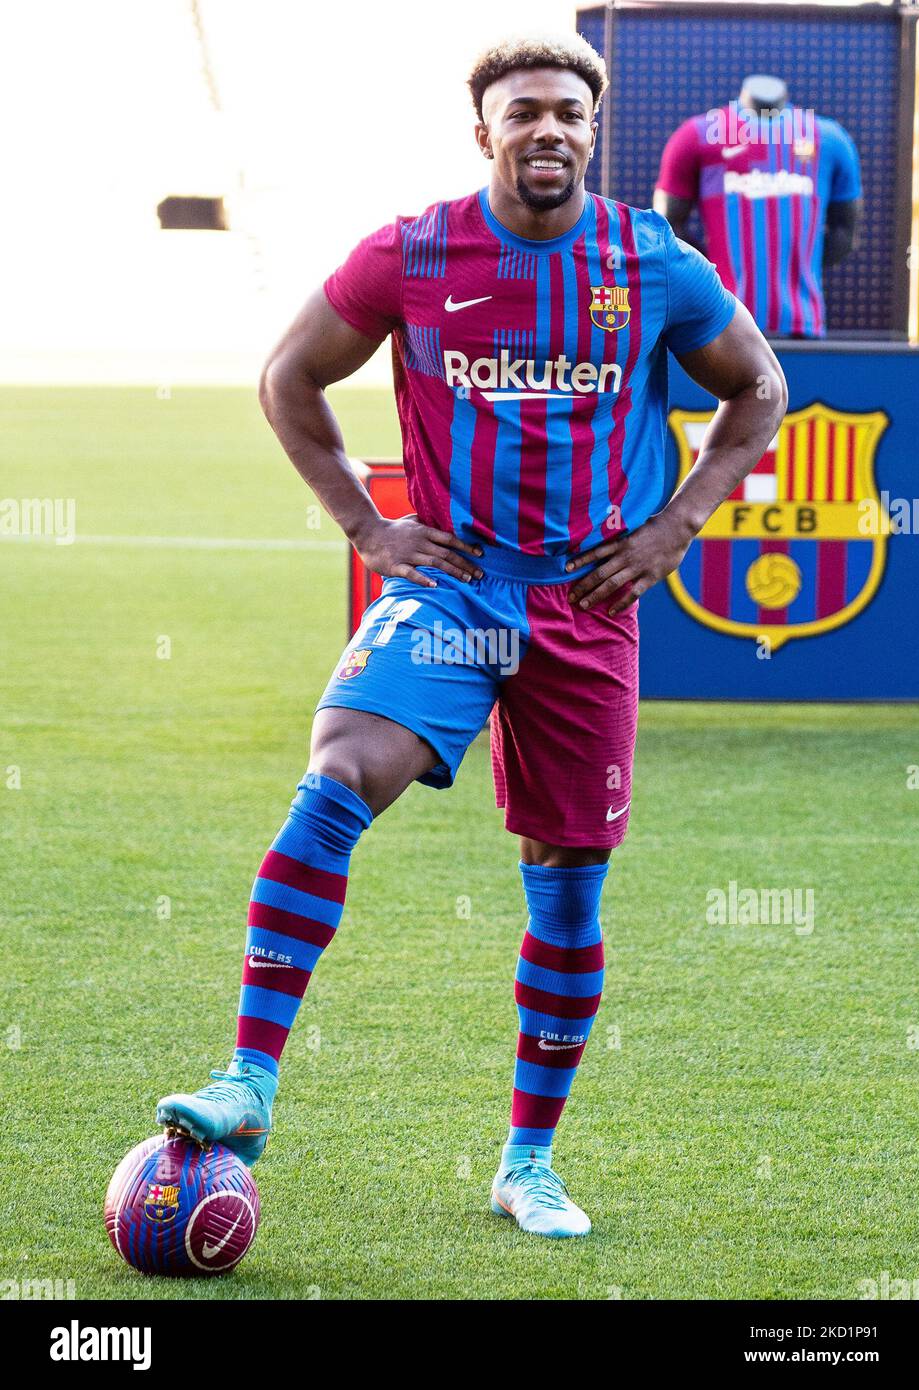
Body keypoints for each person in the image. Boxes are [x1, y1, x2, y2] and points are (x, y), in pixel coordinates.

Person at [157, 32, 786, 1238]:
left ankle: (526, 1162)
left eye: (567, 114)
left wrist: (672, 532)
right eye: (523, 113)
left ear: (592, 133)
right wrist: (366, 523)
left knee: (563, 892)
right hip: (451, 587)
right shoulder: (412, 251)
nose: (547, 129)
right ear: (483, 131)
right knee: (338, 773)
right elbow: (290, 375)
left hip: (586, 606)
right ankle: (247, 1080)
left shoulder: (649, 259)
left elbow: (754, 386)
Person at [654, 74, 862, 338]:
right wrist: (713, 269)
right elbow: (667, 230)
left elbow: (845, 233)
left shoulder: (829, 138)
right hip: (722, 323)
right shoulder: (697, 135)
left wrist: (801, 264)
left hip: (802, 327)